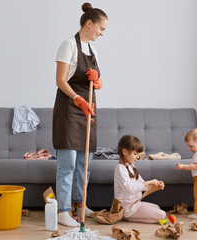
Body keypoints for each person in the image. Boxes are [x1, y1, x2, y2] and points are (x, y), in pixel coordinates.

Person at [52, 2, 108, 227]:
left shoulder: (93, 49)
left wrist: (97, 79)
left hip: (89, 110)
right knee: (68, 163)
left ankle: (79, 204)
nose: (102, 33)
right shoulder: (68, 45)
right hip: (69, 110)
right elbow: (60, 80)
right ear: (89, 22)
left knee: (84, 163)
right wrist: (78, 99)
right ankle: (63, 211)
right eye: (101, 28)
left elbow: (100, 83)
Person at [114, 135, 166, 223]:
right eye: (135, 154)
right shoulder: (120, 169)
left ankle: (130, 216)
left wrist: (155, 185)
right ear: (125, 151)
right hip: (129, 208)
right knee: (162, 215)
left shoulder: (131, 166)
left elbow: (142, 185)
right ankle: (127, 217)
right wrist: (149, 182)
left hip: (136, 204)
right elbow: (131, 189)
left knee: (157, 207)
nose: (137, 157)